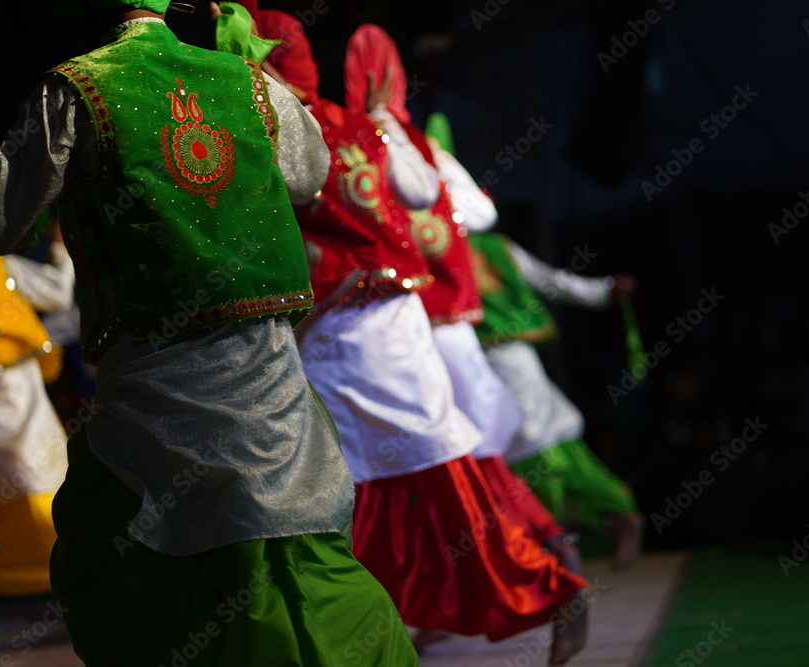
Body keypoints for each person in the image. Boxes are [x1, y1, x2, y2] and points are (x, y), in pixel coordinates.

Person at [0, 3, 417, 665]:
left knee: (134, 545)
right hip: (266, 366)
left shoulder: (75, 88)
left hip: (150, 372)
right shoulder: (247, 81)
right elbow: (309, 176)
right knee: (287, 532)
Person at [239, 13, 589, 664]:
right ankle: (389, 622)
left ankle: (543, 583)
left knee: (431, 477)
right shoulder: (353, 126)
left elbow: (434, 197)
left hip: (364, 331)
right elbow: (418, 191)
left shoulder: (277, 130)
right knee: (369, 485)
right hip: (365, 328)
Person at [426, 112, 646, 569]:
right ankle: (606, 518)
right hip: (473, 362)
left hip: (504, 359)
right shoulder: (436, 246)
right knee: (549, 441)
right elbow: (553, 282)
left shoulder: (484, 248)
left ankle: (550, 539)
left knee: (526, 444)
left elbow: (550, 281)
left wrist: (604, 290)